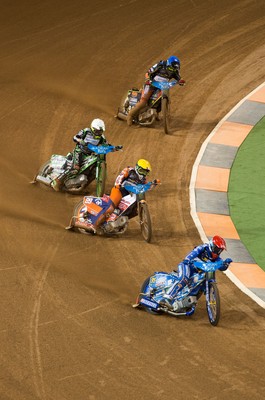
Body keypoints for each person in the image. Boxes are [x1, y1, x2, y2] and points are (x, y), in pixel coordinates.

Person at [159, 235, 233, 309]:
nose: (218, 252)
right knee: (184, 279)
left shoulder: (217, 258)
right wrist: (187, 259)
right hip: (187, 266)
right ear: (212, 246)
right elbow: (194, 252)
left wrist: (225, 264)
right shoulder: (203, 248)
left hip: (198, 273)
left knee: (202, 285)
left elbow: (221, 267)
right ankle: (167, 297)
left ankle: (188, 302)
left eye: (220, 250)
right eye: (217, 249)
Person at [91, 159, 153, 232]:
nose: (144, 174)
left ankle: (118, 221)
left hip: (130, 194)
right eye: (143, 171)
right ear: (137, 168)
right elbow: (120, 176)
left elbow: (146, 186)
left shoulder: (143, 179)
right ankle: (95, 225)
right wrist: (117, 184)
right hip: (119, 190)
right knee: (111, 208)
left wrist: (152, 184)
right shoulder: (129, 170)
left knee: (135, 211)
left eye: (146, 172)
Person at [127, 55, 186, 126]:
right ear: (168, 64)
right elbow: (148, 72)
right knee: (143, 102)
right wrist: (148, 78)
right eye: (171, 68)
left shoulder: (175, 70)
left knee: (162, 100)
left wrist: (181, 81)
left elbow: (179, 78)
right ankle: (130, 115)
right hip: (151, 83)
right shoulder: (160, 64)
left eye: (174, 69)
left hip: (162, 86)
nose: (172, 70)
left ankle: (157, 113)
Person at [51, 118, 108, 191]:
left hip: (89, 155)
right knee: (76, 168)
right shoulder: (86, 131)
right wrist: (80, 141)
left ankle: (82, 186)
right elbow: (75, 137)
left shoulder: (102, 137)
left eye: (101, 131)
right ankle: (58, 181)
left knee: (92, 172)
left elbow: (105, 144)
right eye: (98, 131)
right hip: (79, 151)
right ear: (93, 128)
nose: (99, 133)